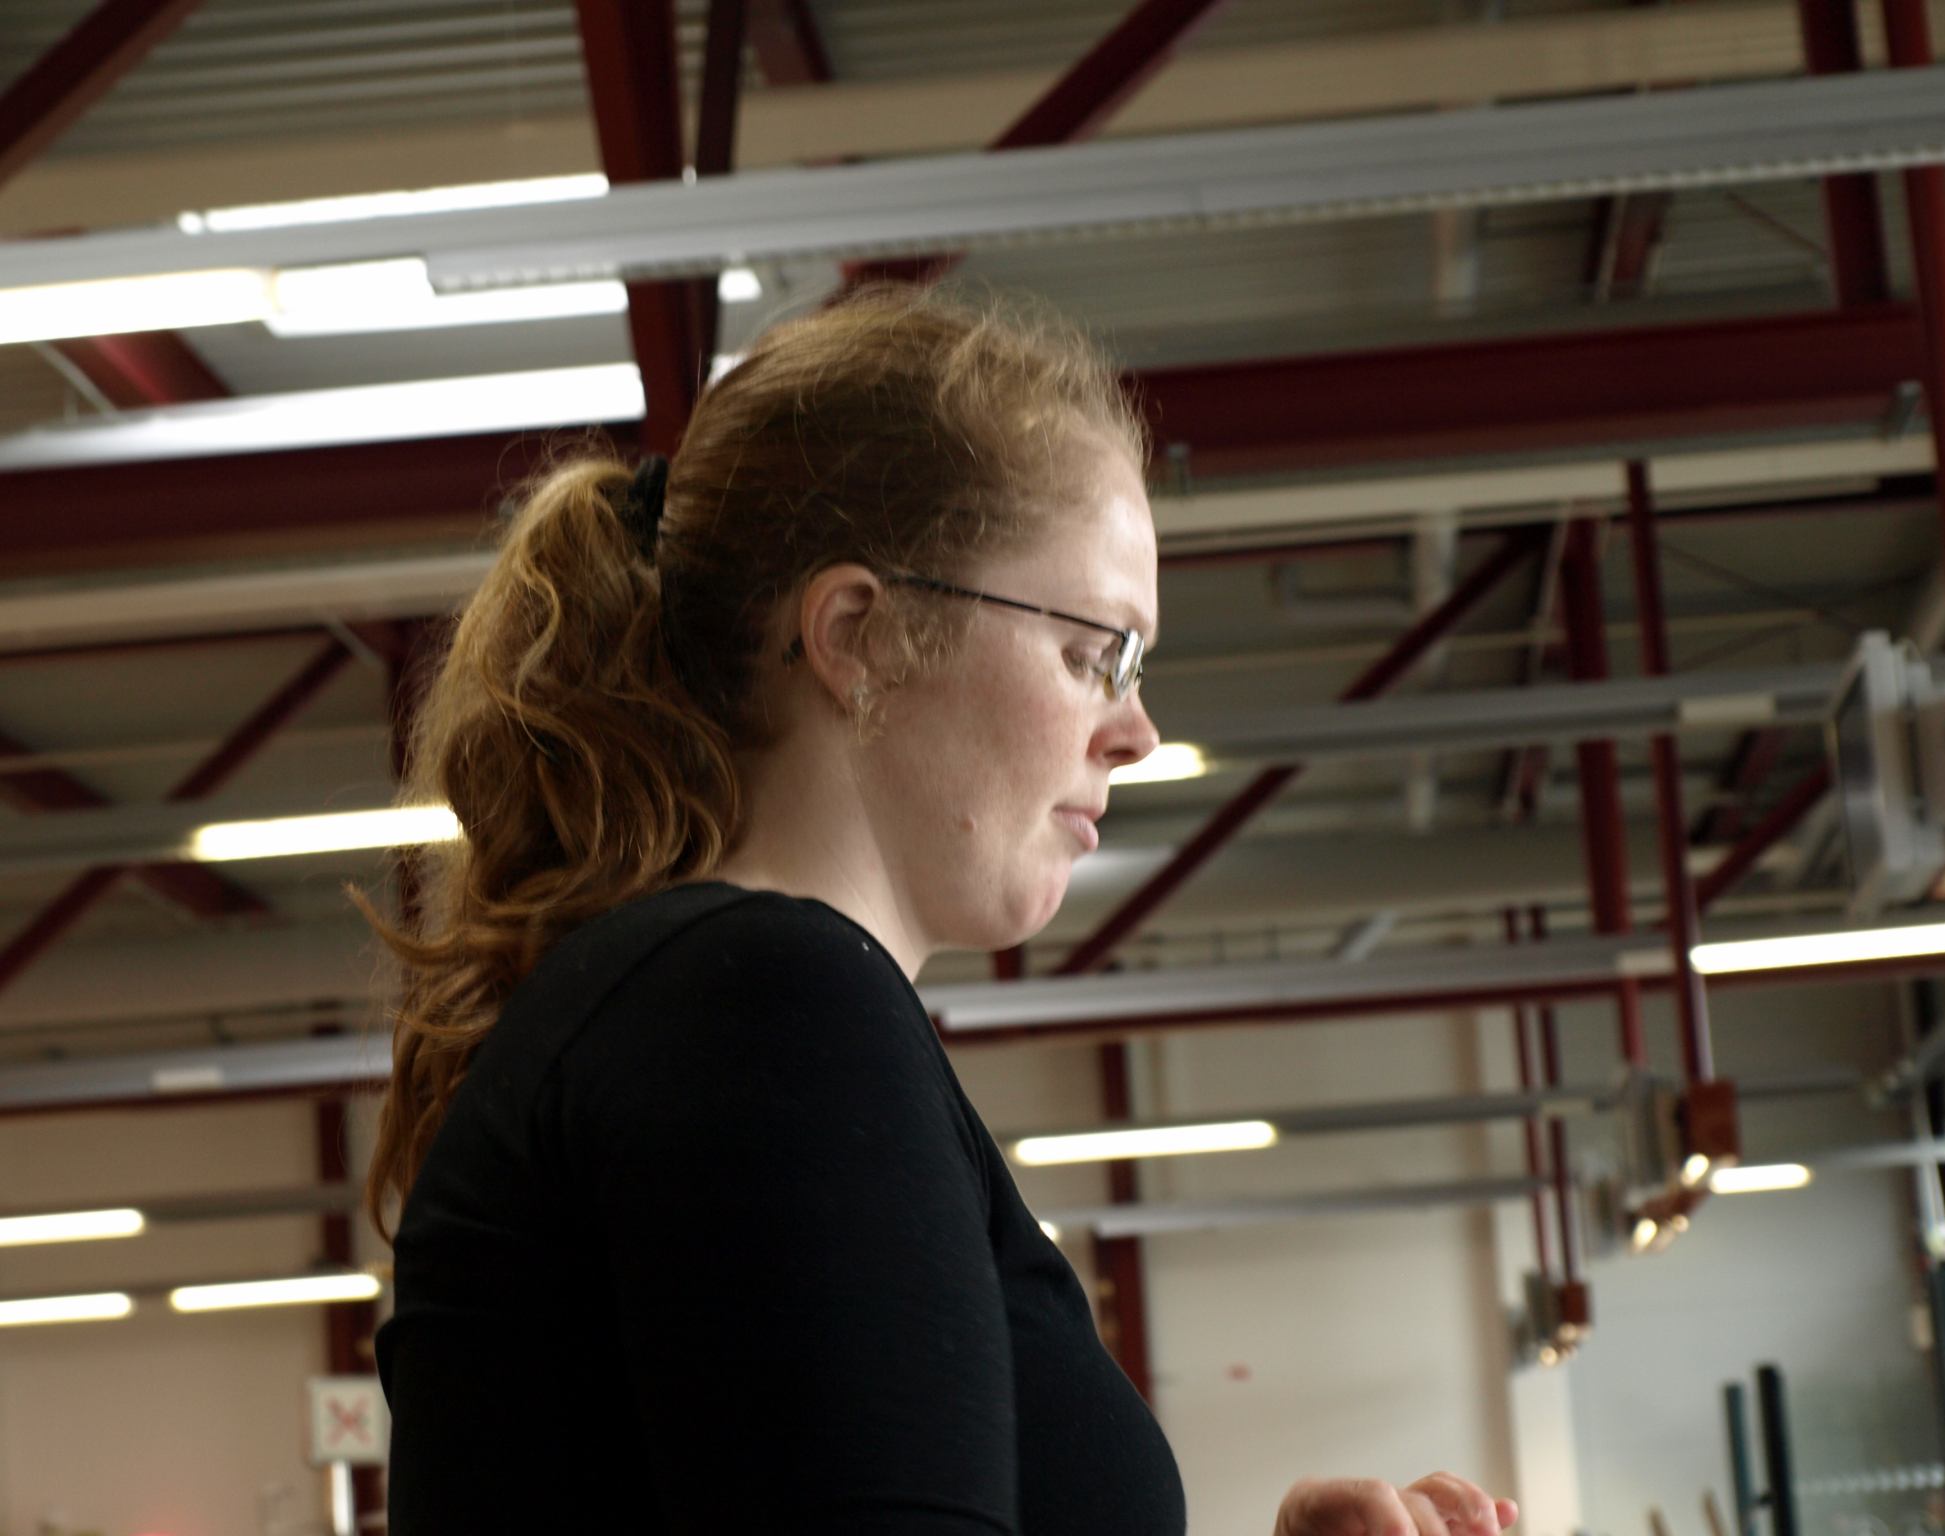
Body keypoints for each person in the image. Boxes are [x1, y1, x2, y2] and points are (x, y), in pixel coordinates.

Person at [356, 282, 1522, 1536]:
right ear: (859, 634)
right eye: (1096, 653)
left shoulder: (716, 1011)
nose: (1134, 730)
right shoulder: (762, 1007)